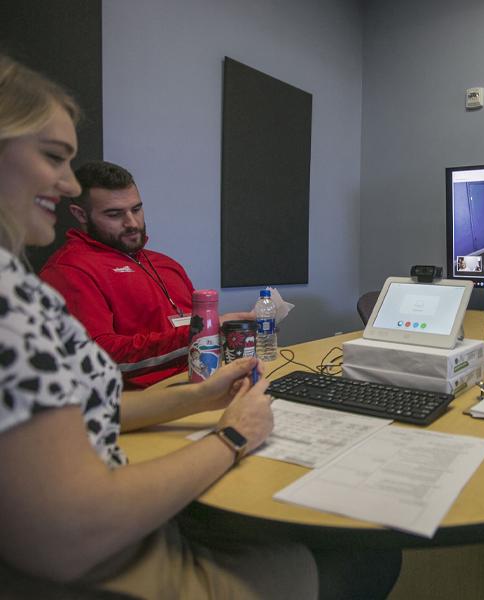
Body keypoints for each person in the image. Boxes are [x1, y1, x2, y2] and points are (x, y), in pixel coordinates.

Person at [0, 55, 399, 599]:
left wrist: (202, 395)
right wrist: (232, 434)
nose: (66, 181)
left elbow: (84, 401)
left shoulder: (150, 264)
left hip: (155, 452)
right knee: (371, 559)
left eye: (137, 210)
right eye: (53, 157)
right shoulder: (42, 285)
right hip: (121, 561)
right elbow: (72, 528)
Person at [39, 160, 252, 388]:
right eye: (114, 214)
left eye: (136, 209)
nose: (131, 223)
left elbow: (194, 336)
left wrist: (228, 334)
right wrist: (202, 333)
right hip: (139, 405)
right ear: (81, 215)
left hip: (195, 385)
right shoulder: (69, 271)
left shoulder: (165, 264)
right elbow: (98, 358)